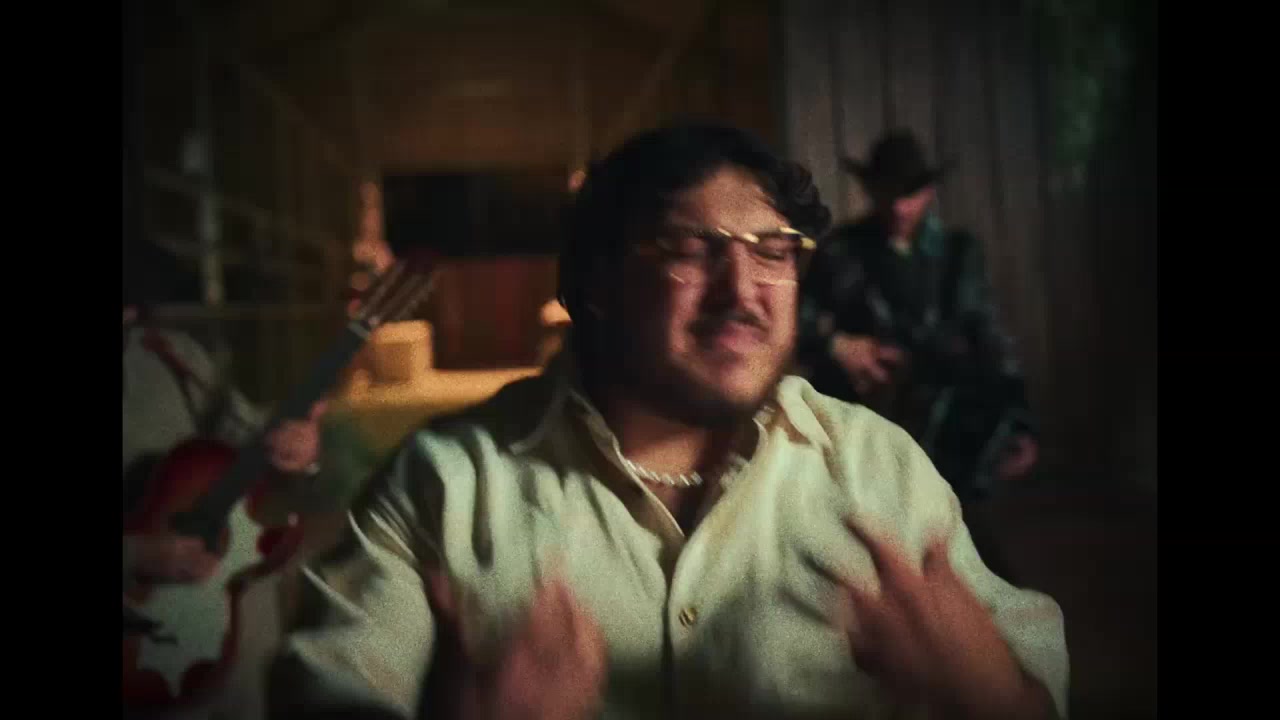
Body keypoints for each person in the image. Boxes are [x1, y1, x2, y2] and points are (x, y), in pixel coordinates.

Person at [270, 124, 1068, 719]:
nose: (742, 290)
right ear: (598, 283)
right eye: (690, 247)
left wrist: (997, 698)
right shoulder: (445, 485)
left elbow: (1038, 696)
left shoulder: (879, 469)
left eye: (773, 250)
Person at [798, 129, 1039, 502]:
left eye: (909, 193)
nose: (899, 206)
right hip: (863, 427)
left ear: (928, 192)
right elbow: (793, 320)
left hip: (949, 431)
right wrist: (837, 345)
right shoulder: (841, 250)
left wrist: (1019, 421)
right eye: (888, 192)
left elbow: (988, 336)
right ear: (870, 189)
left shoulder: (958, 253)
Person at [123, 296, 328, 720]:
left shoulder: (170, 353)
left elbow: (253, 446)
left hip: (234, 634)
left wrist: (297, 452)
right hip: (140, 654)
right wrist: (137, 554)